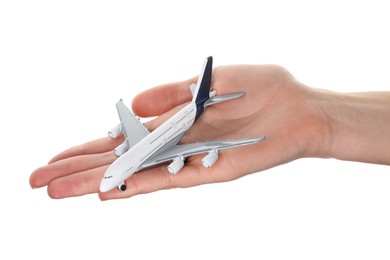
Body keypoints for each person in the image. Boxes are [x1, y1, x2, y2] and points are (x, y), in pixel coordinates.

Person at [29, 65, 390, 200]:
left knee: (170, 147)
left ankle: (200, 100)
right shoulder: (129, 159)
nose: (112, 177)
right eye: (114, 176)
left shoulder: (143, 156)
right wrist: (321, 117)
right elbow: (128, 119)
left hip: (182, 124)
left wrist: (202, 154)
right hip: (158, 137)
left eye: (112, 177)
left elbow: (204, 147)